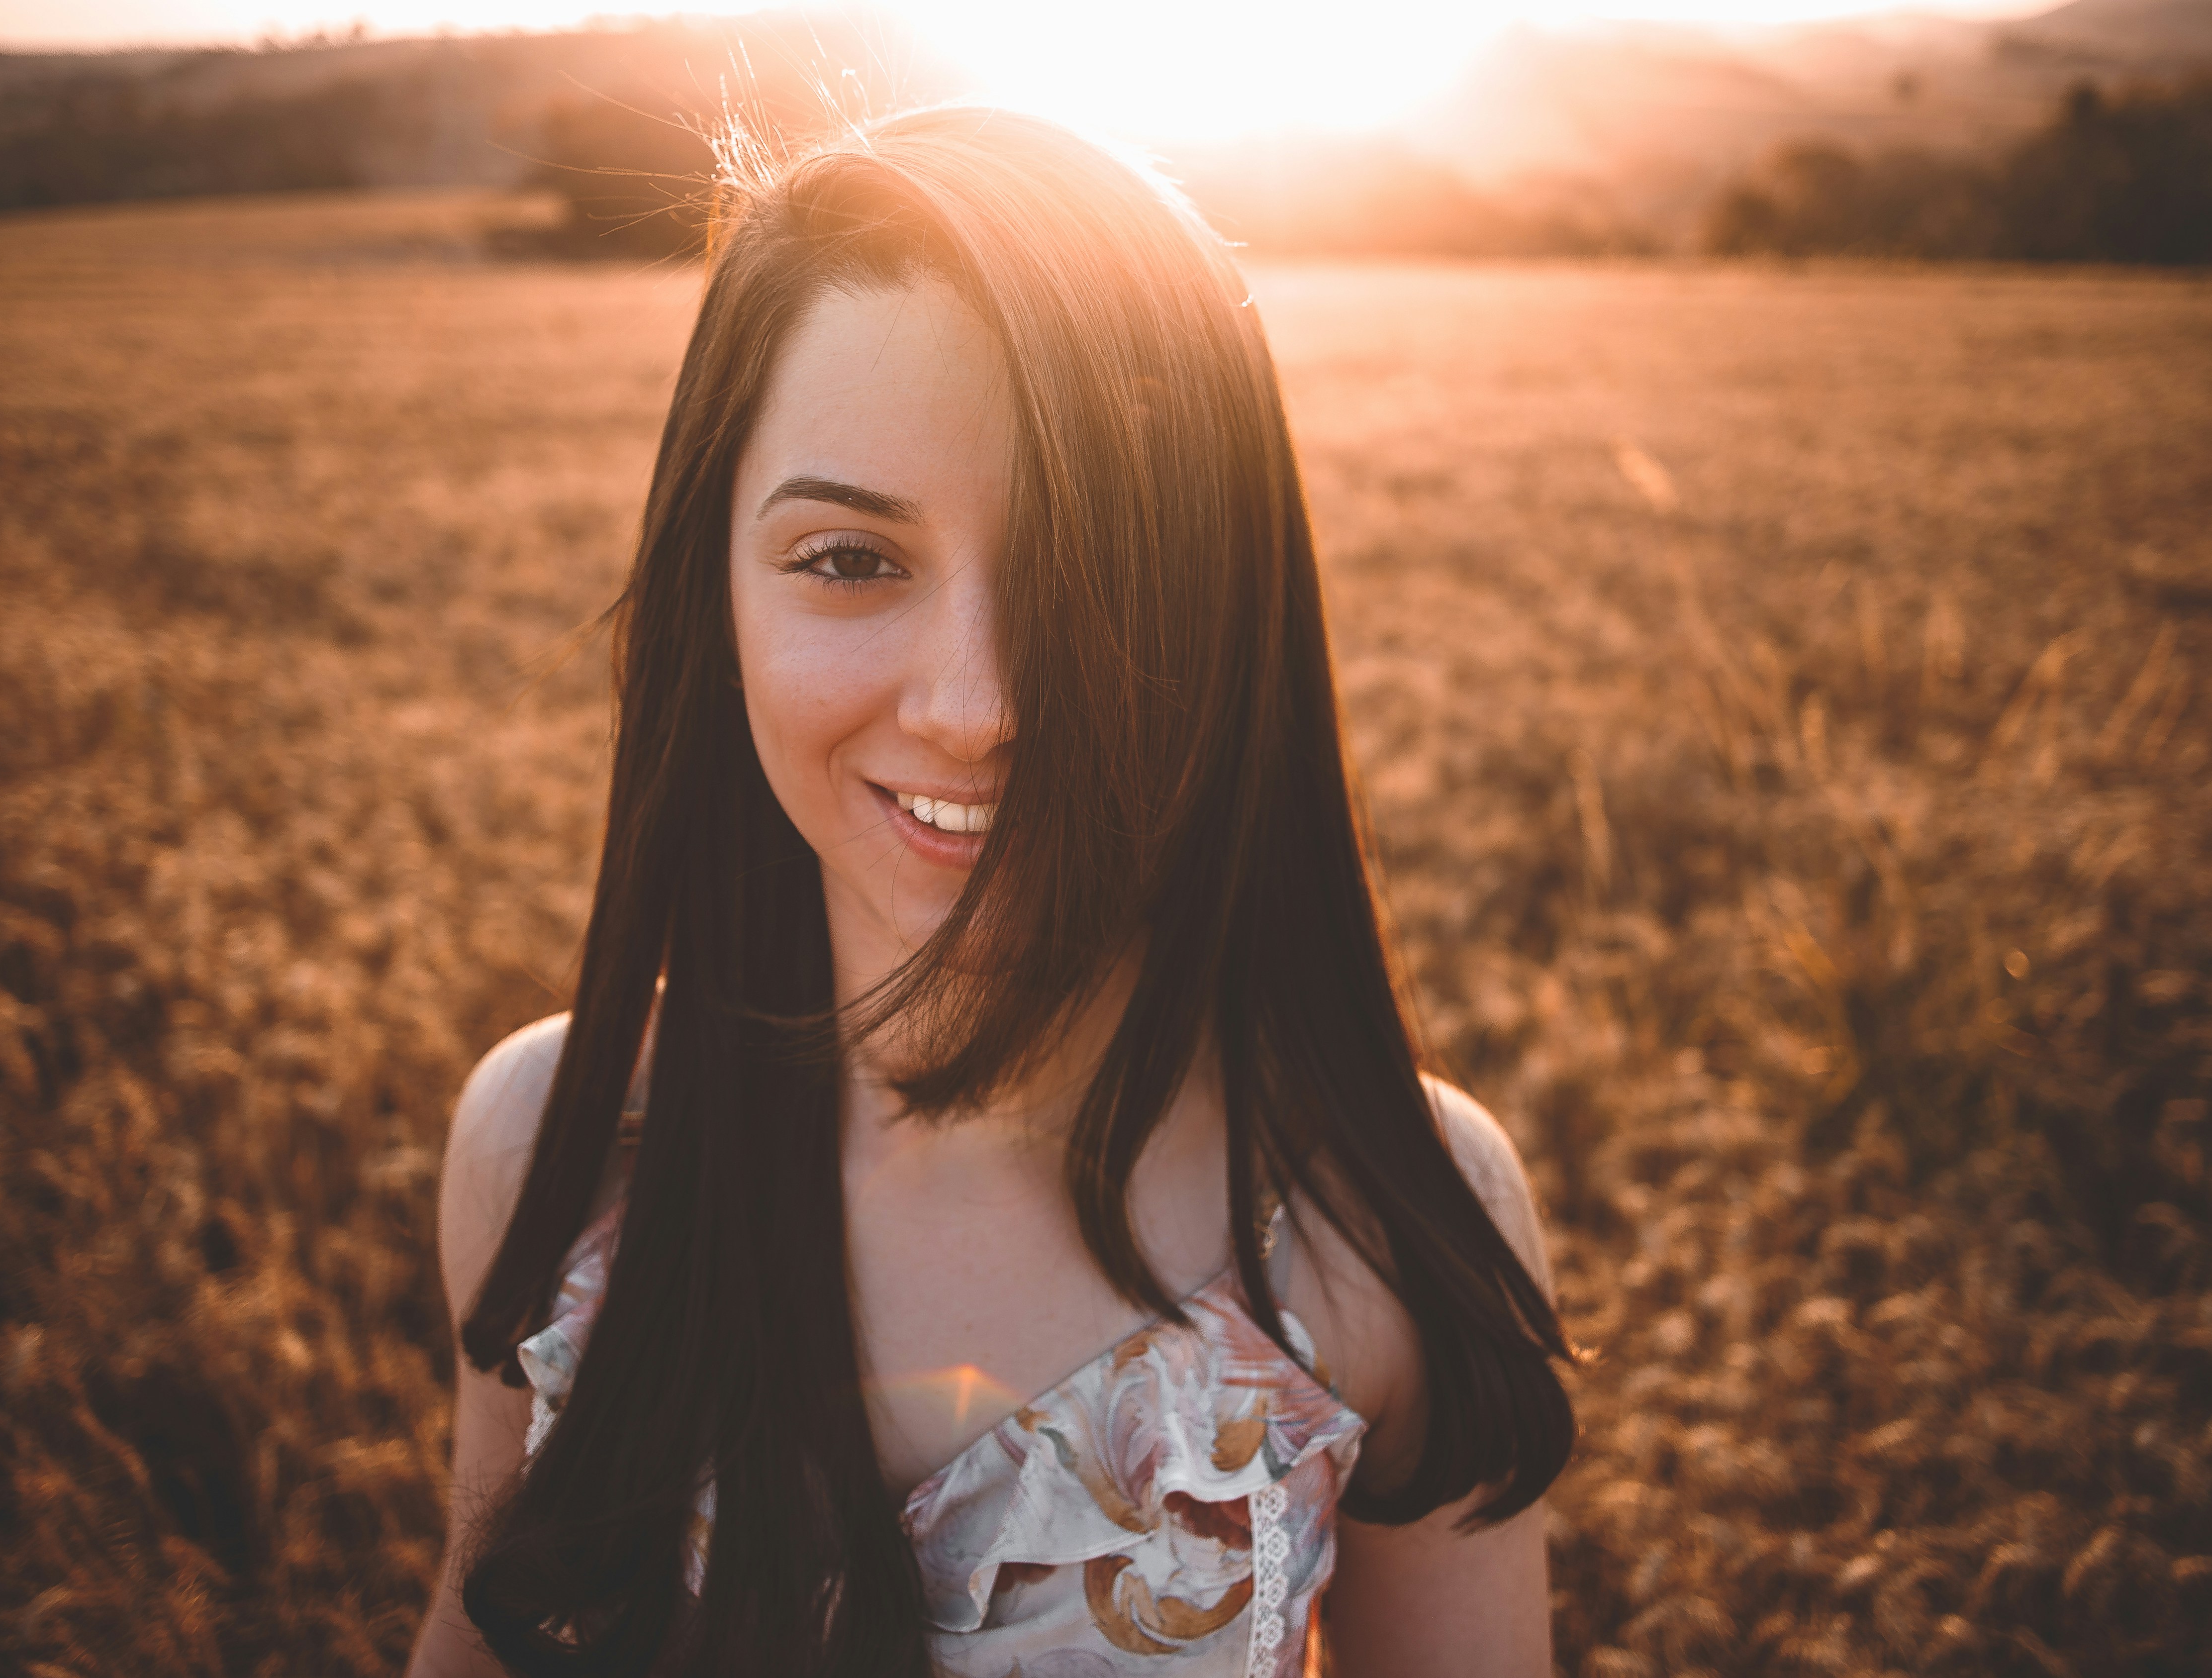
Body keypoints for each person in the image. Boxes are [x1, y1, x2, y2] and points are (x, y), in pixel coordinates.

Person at [407, 106, 1573, 1678]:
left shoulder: (1375, 1218)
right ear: (715, 592)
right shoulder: (554, 1149)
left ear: (1230, 610)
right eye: (846, 560)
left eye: (1086, 568)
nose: (974, 704)